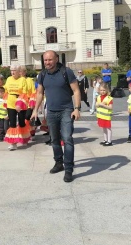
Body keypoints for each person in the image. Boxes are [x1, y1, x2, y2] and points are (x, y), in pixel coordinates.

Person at [30, 50, 81, 182]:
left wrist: (77, 109)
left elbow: (76, 90)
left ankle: (69, 168)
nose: (47, 62)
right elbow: (40, 93)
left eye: (50, 60)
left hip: (66, 110)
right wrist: (35, 110)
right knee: (54, 139)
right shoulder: (42, 74)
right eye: (45, 60)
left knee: (67, 138)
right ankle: (59, 163)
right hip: (51, 111)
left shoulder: (66, 72)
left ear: (56, 59)